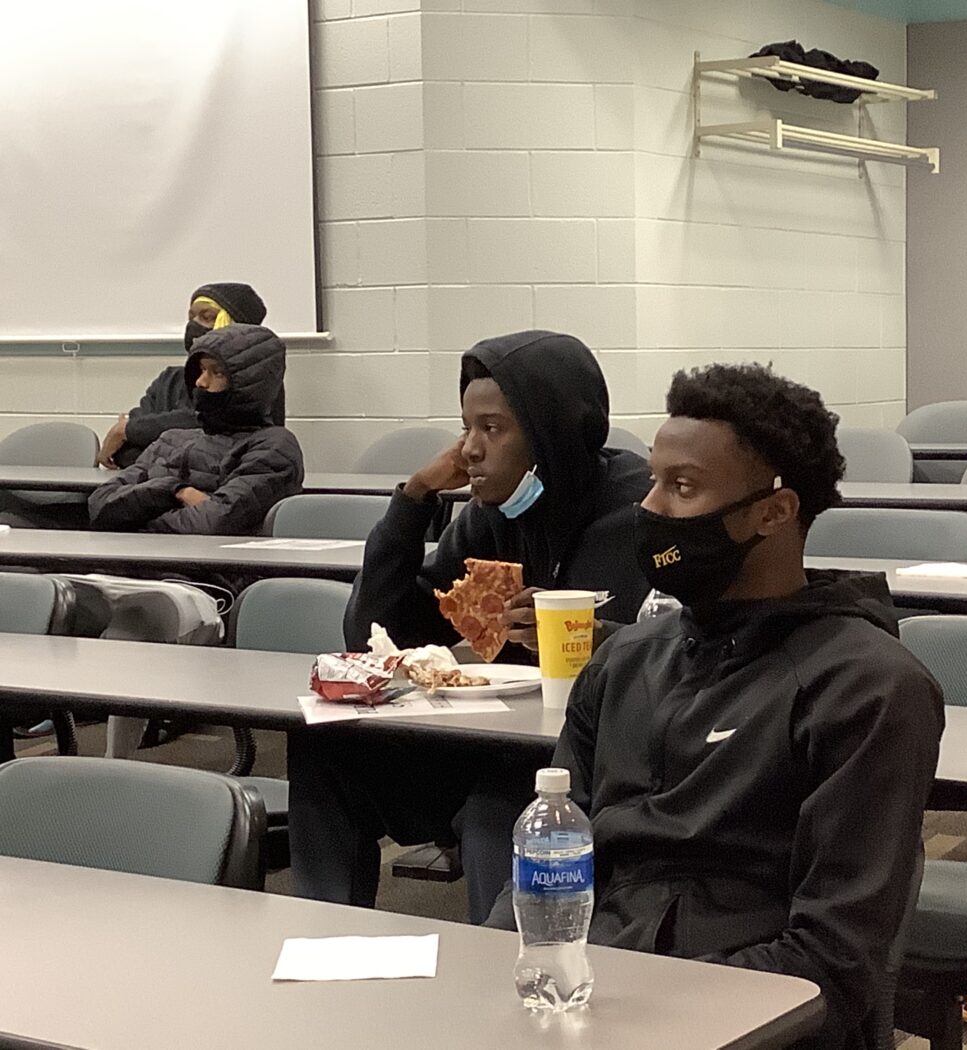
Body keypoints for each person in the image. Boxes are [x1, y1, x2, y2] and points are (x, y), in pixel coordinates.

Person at [483, 363, 945, 1050]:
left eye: (684, 487)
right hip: (590, 999)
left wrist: (642, 1015)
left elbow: (834, 961)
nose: (650, 509)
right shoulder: (624, 662)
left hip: (743, 1019)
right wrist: (485, 972)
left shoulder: (869, 687)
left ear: (773, 511)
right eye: (652, 480)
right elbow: (553, 861)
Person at [289, 330, 653, 923]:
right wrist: (413, 499)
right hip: (491, 739)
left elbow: (664, 653)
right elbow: (374, 633)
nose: (470, 451)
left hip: (585, 760)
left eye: (493, 428)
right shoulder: (491, 515)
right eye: (466, 428)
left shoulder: (636, 511)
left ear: (551, 432)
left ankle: (503, 981)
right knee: (326, 748)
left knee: (498, 811)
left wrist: (583, 631)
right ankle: (327, 936)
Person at [88, 323, 303, 533]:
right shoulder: (171, 440)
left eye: (217, 373)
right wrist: (176, 491)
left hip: (209, 566)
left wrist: (137, 521)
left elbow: (213, 522)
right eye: (201, 370)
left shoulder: (273, 448)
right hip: (139, 561)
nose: (201, 382)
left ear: (250, 386)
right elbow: (100, 505)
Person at [97, 282, 275, 470]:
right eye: (191, 317)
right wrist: (133, 434)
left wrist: (130, 430)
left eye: (207, 317)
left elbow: (210, 438)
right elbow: (125, 453)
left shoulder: (257, 385)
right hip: (154, 490)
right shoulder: (170, 379)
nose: (194, 325)